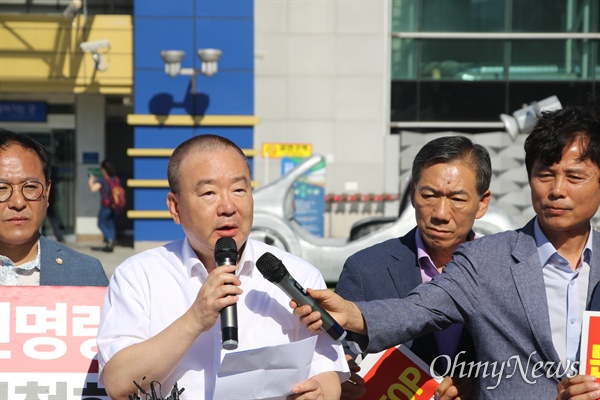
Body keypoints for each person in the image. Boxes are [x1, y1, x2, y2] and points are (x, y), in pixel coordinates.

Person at [293, 105, 600, 398]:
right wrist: (351, 313)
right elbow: (415, 310)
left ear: (482, 202)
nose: (557, 190)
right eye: (545, 175)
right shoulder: (485, 259)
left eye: (574, 177)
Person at [96, 134, 349, 399]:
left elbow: (328, 372)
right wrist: (194, 320)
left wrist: (320, 393)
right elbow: (118, 384)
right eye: (209, 193)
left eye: (239, 190)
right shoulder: (139, 276)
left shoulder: (297, 275)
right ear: (175, 207)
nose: (228, 207)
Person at [336, 136, 490, 400]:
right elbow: (338, 349)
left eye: (457, 199)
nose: (440, 213)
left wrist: (483, 383)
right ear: (412, 195)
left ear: (482, 202)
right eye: (429, 195)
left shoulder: (504, 271)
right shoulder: (365, 269)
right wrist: (341, 372)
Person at [0, 129, 108, 286]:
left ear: (47, 192)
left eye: (30, 187)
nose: (18, 202)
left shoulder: (86, 273)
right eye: (2, 188)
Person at [88, 160, 119, 252]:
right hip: (114, 205)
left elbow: (93, 189)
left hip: (106, 205)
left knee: (100, 223)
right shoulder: (115, 178)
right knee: (110, 223)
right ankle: (111, 240)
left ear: (104, 169)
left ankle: (109, 240)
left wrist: (91, 181)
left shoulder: (102, 179)